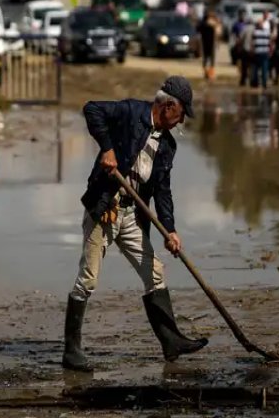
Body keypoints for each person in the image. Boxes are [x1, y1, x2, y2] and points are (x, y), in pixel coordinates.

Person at [63, 77, 209, 371]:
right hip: (104, 207)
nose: (180, 122)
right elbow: (91, 109)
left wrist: (170, 229)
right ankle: (71, 352)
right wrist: (107, 148)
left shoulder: (167, 145)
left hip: (131, 215)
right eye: (181, 114)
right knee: (88, 279)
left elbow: (162, 190)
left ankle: (171, 341)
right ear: (169, 106)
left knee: (154, 271)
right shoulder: (131, 112)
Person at [250, 10, 274, 89]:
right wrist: (270, 51)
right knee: (264, 68)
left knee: (257, 69)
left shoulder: (255, 32)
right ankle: (264, 84)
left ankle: (257, 83)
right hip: (264, 52)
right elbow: (270, 42)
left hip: (258, 52)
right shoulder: (267, 32)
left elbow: (252, 43)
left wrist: (252, 51)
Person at [231, 10, 250, 87]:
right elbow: (233, 35)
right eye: (241, 15)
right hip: (238, 46)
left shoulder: (246, 24)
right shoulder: (236, 24)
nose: (242, 17)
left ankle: (245, 77)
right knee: (239, 62)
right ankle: (241, 75)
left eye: (243, 15)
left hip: (245, 46)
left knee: (246, 64)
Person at [196, 12, 218, 78]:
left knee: (208, 59)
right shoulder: (209, 24)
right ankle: (208, 73)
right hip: (208, 44)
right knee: (209, 59)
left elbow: (198, 29)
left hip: (207, 43)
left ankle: (209, 72)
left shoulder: (204, 24)